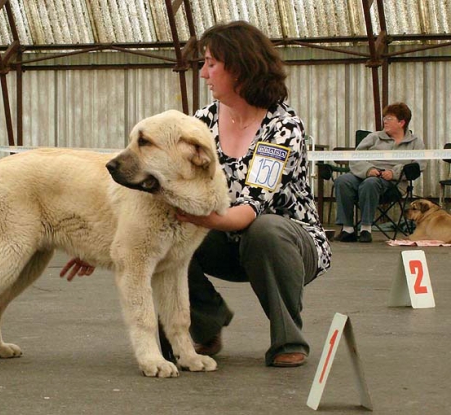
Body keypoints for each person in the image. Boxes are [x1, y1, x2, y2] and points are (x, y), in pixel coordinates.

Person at [62, 21, 332, 368]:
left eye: (210, 63)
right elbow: (161, 188)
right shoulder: (201, 122)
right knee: (163, 234)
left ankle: (288, 338)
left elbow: (249, 210)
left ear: (238, 66)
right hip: (219, 232)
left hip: (286, 244)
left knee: (265, 230)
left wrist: (193, 219)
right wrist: (104, 239)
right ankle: (205, 325)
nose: (203, 73)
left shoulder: (282, 127)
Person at [333, 102, 427, 243]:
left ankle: (366, 228)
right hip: (366, 174)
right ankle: (347, 229)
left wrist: (394, 173)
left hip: (393, 184)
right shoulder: (374, 137)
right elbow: (355, 158)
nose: (385, 121)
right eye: (385, 118)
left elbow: (418, 166)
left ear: (401, 122)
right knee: (342, 181)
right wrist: (368, 170)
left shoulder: (415, 142)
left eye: (389, 118)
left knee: (370, 184)